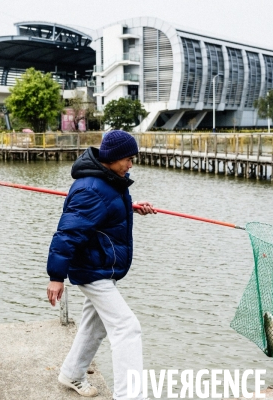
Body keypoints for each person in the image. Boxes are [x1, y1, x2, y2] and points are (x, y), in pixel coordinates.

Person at [46, 130, 155, 400]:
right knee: (127, 327)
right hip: (92, 270)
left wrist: (131, 206)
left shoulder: (108, 181)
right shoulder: (91, 189)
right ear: (113, 157)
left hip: (101, 265)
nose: (131, 164)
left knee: (95, 325)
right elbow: (67, 233)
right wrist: (56, 276)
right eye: (129, 158)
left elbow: (104, 212)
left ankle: (72, 372)